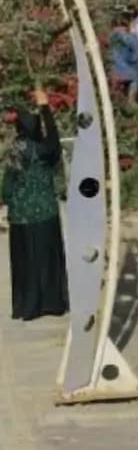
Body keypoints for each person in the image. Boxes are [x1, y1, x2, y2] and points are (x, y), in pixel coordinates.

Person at [3, 89, 68, 321]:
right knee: (46, 260)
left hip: (20, 216)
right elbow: (54, 139)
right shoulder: (43, 150)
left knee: (24, 263)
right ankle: (50, 303)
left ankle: (26, 306)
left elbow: (7, 185)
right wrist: (44, 107)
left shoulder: (15, 149)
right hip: (44, 214)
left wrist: (10, 205)